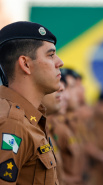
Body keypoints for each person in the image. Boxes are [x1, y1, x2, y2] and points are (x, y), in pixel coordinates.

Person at [0, 21, 63, 184]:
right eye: (50, 55)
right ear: (25, 64)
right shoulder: (12, 124)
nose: (60, 62)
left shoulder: (31, 118)